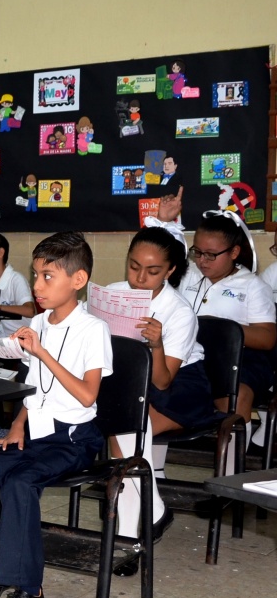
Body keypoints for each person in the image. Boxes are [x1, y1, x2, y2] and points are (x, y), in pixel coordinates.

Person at [0, 232, 112, 598]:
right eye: (35, 275)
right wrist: (16, 427)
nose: (37, 285)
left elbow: (87, 395)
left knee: (19, 483)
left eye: (48, 276)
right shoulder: (37, 322)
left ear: (78, 280)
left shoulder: (93, 329)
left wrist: (42, 351)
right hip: (36, 434)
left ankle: (31, 591)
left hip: (74, 439)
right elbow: (35, 388)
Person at [105, 227, 214, 563]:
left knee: (125, 431)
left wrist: (156, 343)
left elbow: (164, 381)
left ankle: (127, 535)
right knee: (123, 426)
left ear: (170, 271)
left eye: (152, 271)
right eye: (134, 266)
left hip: (179, 386)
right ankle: (151, 514)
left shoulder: (179, 311)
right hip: (127, 384)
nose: (140, 278)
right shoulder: (113, 294)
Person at [178, 211, 275, 425]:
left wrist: (221, 330)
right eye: (197, 252)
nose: (202, 261)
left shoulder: (252, 286)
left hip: (241, 359)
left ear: (234, 252)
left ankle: (235, 446)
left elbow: (267, 338)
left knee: (235, 396)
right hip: (192, 355)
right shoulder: (188, 276)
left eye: (211, 254)